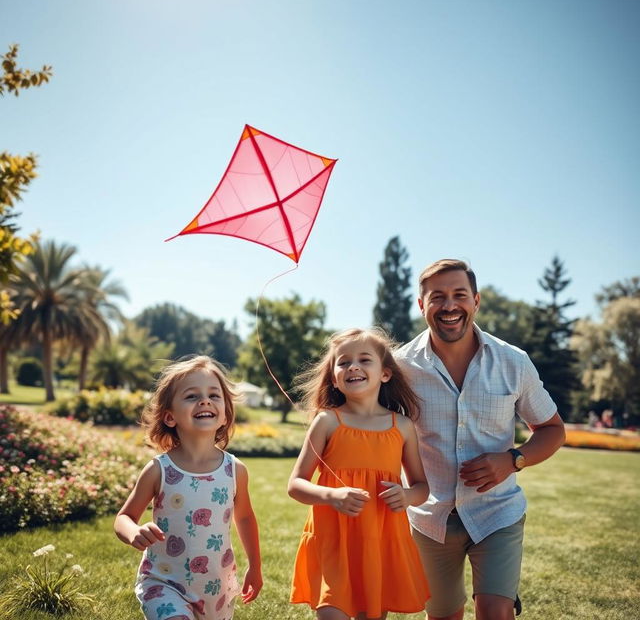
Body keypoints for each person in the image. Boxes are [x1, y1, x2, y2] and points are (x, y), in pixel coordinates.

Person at [396, 259, 566, 620]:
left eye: (459, 295)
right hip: (430, 517)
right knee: (442, 615)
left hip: (497, 513)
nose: (449, 305)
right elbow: (377, 428)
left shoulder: (513, 362)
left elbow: (553, 429)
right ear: (421, 305)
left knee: (496, 612)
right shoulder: (400, 368)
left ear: (476, 301)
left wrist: (513, 460)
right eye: (437, 296)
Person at [288, 327, 431, 620]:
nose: (353, 366)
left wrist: (406, 495)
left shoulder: (402, 426)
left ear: (385, 373)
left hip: (379, 541)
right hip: (333, 540)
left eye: (365, 360)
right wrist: (332, 495)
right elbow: (296, 484)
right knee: (332, 612)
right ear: (334, 378)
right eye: (343, 362)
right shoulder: (327, 421)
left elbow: (421, 487)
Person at [114, 355, 262, 620]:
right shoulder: (160, 469)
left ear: (225, 415)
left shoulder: (234, 470)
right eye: (192, 396)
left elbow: (245, 517)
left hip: (215, 586)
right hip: (163, 582)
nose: (205, 401)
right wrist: (134, 531)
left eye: (214, 395)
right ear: (170, 417)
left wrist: (255, 566)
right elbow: (124, 517)